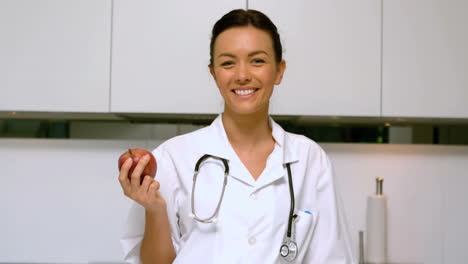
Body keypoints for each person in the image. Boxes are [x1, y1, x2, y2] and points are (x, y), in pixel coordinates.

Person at [119, 9, 356, 264]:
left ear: (279, 71)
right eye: (228, 62)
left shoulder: (309, 160)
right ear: (213, 73)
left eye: (257, 61)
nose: (242, 75)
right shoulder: (173, 158)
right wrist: (155, 212)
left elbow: (333, 257)